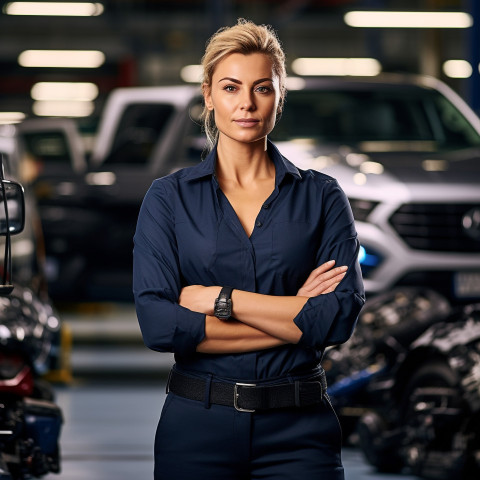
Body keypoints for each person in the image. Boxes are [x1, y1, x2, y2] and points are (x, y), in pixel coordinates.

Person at [133, 18, 365, 480]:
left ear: (280, 96)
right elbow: (159, 324)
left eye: (262, 88)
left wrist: (224, 301)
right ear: (208, 95)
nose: (246, 103)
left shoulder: (321, 195)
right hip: (197, 426)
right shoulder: (169, 198)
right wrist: (298, 316)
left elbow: (338, 316)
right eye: (231, 87)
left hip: (300, 432)